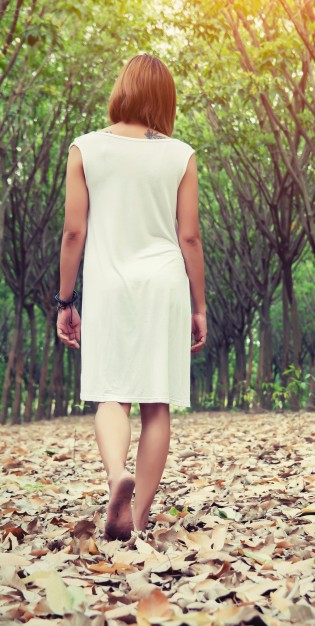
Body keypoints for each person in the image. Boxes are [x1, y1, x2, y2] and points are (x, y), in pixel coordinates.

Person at [55, 53, 207, 541]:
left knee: (110, 393)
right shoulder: (180, 154)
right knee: (156, 403)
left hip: (109, 284)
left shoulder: (85, 149)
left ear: (121, 90)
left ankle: (115, 474)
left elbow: (74, 232)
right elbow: (190, 238)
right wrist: (199, 306)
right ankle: (137, 519)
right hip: (164, 283)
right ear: (165, 99)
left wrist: (65, 300)